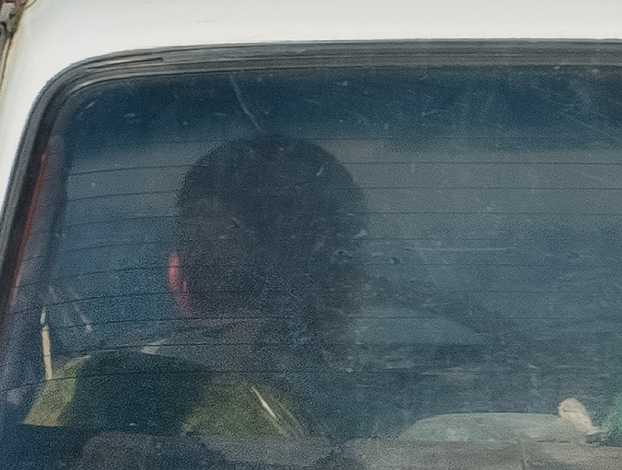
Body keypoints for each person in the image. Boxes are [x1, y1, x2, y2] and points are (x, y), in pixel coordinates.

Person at [27, 134, 369, 444]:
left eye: (196, 233)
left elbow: (37, 465)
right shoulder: (381, 406)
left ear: (178, 273)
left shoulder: (94, 384)